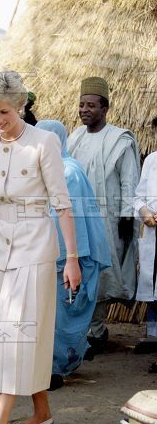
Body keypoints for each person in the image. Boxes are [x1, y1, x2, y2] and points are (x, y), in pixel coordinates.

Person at [0, 71, 81, 424]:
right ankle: (41, 411)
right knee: (4, 328)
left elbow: (62, 204)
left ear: (20, 105)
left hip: (36, 243)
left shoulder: (44, 142)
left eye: (3, 111)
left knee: (18, 332)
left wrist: (71, 258)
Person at [36, 120, 111, 389]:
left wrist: (70, 259)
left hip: (70, 256)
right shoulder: (57, 168)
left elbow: (72, 221)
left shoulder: (67, 172)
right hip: (59, 254)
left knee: (63, 313)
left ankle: (57, 368)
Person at [68, 77, 140, 354]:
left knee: (104, 274)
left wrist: (126, 215)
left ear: (105, 109)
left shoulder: (119, 139)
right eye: (81, 105)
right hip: (79, 218)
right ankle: (89, 330)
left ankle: (96, 331)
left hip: (109, 218)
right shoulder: (75, 138)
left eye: (91, 105)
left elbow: (128, 180)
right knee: (84, 271)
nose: (84, 110)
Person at [134, 148, 157, 373]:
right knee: (155, 296)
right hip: (153, 236)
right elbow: (139, 196)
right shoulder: (152, 160)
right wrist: (144, 213)